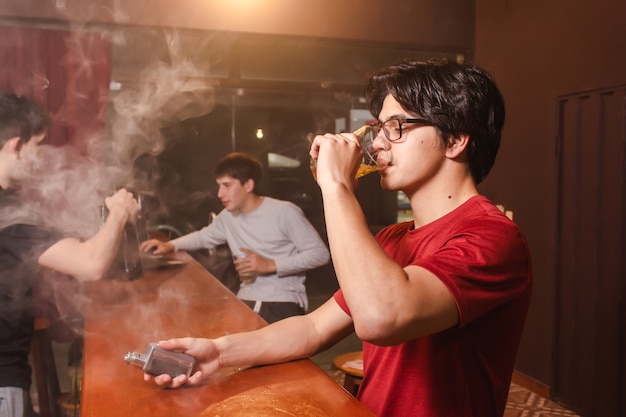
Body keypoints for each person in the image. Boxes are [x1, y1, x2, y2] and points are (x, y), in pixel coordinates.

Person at [142, 60, 533, 417]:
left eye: (396, 127)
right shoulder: (392, 239)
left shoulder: (493, 237)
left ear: (455, 140)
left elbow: (382, 317)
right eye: (379, 129)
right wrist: (219, 352)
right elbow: (313, 328)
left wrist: (335, 186)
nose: (377, 144)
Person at [0, 93, 139, 417]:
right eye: (38, 145)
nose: (39, 157)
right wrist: (118, 212)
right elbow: (90, 265)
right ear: (16, 145)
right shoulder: (9, 211)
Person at [140, 152, 330, 324]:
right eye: (219, 186)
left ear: (248, 185)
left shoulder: (284, 212)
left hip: (281, 300)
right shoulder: (228, 216)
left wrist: (271, 265)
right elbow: (205, 236)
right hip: (246, 297)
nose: (219, 193)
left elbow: (320, 254)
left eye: (227, 186)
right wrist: (169, 245)